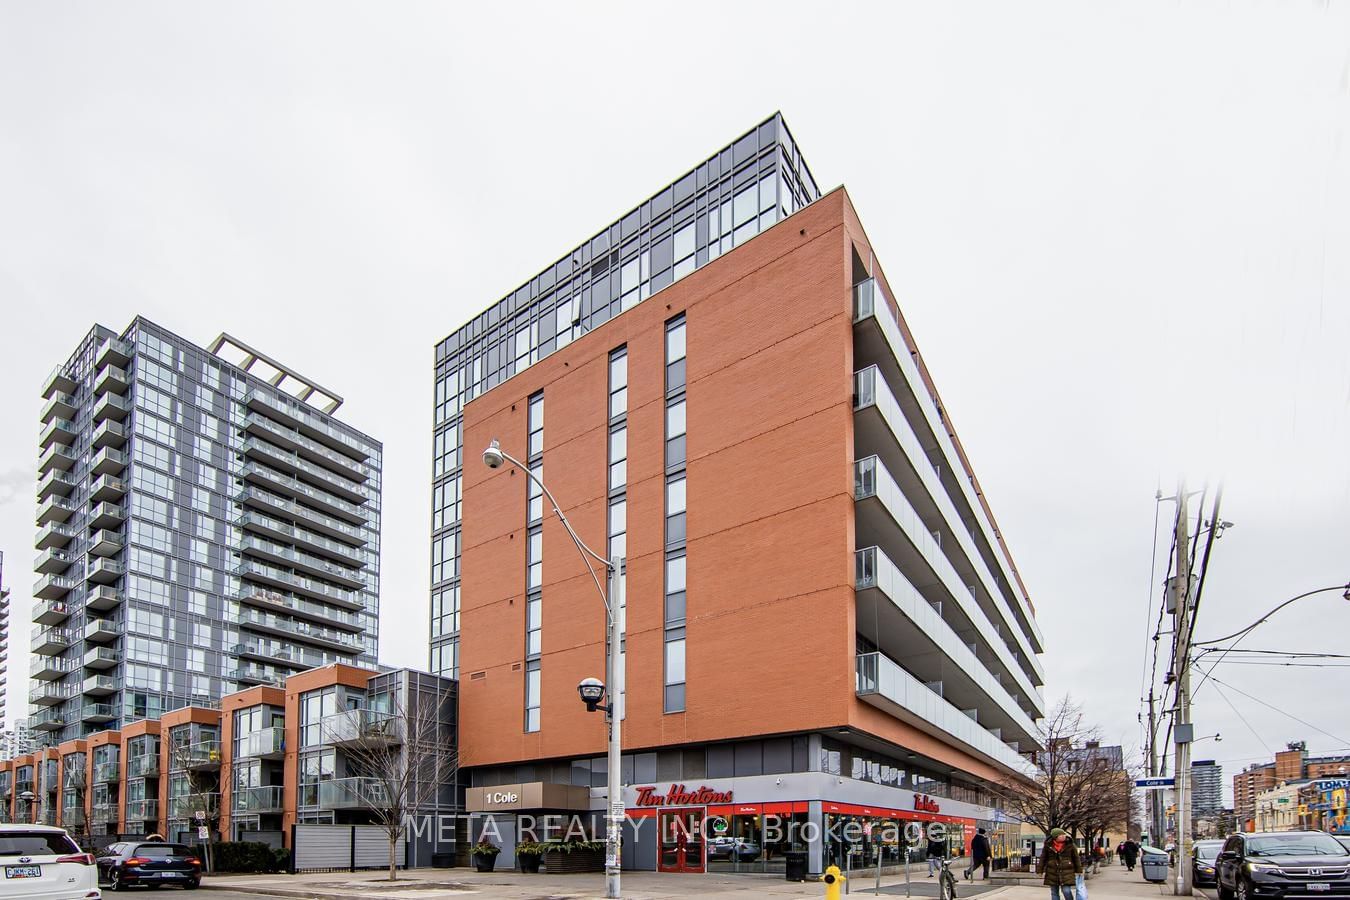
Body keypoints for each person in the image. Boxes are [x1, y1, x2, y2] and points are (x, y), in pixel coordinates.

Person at [1041, 828, 1083, 900]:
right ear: (1055, 837)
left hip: (1067, 872)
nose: (1064, 836)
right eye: (1061, 835)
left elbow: (1076, 858)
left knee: (1066, 891)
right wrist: (1040, 870)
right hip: (1052, 872)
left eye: (1064, 834)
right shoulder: (1048, 845)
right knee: (1054, 892)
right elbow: (1043, 857)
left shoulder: (1070, 845)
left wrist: (1079, 870)